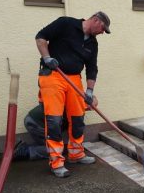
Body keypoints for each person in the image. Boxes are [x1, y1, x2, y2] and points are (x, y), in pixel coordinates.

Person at [35, 11, 110, 178]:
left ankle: (76, 154)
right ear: (95, 20)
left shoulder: (92, 43)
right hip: (53, 75)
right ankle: (56, 162)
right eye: (103, 28)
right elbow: (40, 37)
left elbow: (92, 67)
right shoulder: (66, 23)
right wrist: (47, 58)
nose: (103, 32)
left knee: (77, 117)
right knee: (54, 119)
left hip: (74, 79)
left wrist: (89, 91)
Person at [13, 96, 98, 161]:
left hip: (36, 120)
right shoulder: (73, 108)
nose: (90, 109)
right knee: (56, 151)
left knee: (57, 146)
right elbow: (73, 130)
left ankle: (23, 147)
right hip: (36, 123)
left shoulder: (74, 102)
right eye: (91, 106)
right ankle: (24, 152)